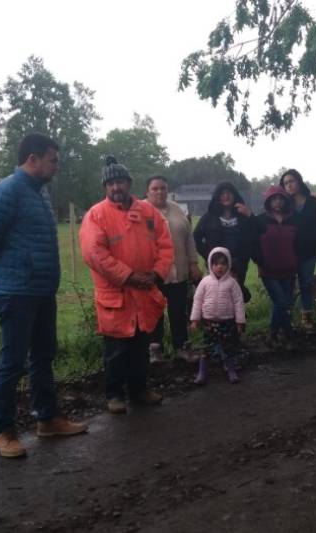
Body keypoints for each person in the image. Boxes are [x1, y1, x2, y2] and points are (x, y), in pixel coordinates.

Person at [0, 132, 87, 459]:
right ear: (33, 159)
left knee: (43, 355)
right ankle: (3, 431)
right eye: (53, 160)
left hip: (41, 289)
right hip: (15, 290)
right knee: (12, 362)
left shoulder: (40, 194)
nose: (56, 167)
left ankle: (47, 419)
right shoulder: (8, 190)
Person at [80, 156, 174, 414]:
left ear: (128, 183)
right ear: (105, 187)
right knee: (116, 350)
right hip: (117, 295)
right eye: (110, 184)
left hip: (144, 291)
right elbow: (94, 254)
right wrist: (129, 276)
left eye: (119, 181)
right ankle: (114, 394)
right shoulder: (96, 215)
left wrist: (156, 274)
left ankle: (139, 390)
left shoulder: (148, 213)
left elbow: (165, 245)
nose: (115, 188)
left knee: (141, 347)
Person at [144, 175, 202, 361]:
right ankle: (155, 349)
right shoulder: (140, 211)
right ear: (147, 191)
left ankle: (181, 347)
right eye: (155, 188)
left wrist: (193, 263)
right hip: (153, 273)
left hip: (179, 271)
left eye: (163, 188)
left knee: (178, 311)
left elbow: (189, 239)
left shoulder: (177, 209)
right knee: (155, 312)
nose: (160, 192)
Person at [193, 182, 264, 302]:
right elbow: (196, 237)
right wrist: (210, 256)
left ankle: (236, 320)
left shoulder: (243, 215)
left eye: (228, 193)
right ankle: (214, 320)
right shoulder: (210, 217)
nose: (225, 196)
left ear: (234, 195)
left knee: (235, 297)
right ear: (217, 197)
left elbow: (261, 230)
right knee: (216, 297)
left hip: (239, 264)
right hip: (217, 265)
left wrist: (249, 214)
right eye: (222, 194)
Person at [189, 247, 246, 384]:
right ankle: (202, 373)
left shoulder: (232, 283)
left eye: (223, 264)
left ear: (228, 265)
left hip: (227, 322)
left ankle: (231, 370)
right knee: (206, 348)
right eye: (216, 264)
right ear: (210, 264)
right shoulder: (205, 282)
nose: (219, 267)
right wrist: (195, 319)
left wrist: (240, 322)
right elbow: (198, 300)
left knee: (228, 347)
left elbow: (238, 302)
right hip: (209, 322)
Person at [281, 169, 316, 330]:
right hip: (289, 252)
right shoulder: (284, 205)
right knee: (288, 286)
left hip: (308, 252)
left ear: (299, 182)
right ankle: (287, 320)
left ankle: (307, 317)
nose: (289, 185)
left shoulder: (314, 202)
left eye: (291, 181)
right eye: (286, 183)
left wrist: (315, 237)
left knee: (306, 284)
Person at [254, 185, 299, 347]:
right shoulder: (260, 221)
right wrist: (258, 263)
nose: (278, 202)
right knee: (282, 303)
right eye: (274, 199)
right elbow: (253, 245)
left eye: (281, 199)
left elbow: (298, 244)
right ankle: (290, 335)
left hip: (289, 269)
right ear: (268, 201)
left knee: (280, 304)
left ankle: (272, 335)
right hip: (268, 270)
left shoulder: (293, 219)